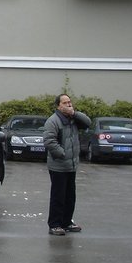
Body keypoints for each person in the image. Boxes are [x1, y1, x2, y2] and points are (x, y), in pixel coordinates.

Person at [43, 93, 91, 236]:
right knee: (58, 196)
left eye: (70, 102)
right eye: (65, 103)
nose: (69, 105)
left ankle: (67, 222)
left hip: (71, 165)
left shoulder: (73, 119)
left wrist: (74, 113)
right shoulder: (53, 121)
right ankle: (55, 224)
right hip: (58, 166)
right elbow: (49, 141)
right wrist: (62, 154)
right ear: (58, 106)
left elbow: (87, 123)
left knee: (70, 196)